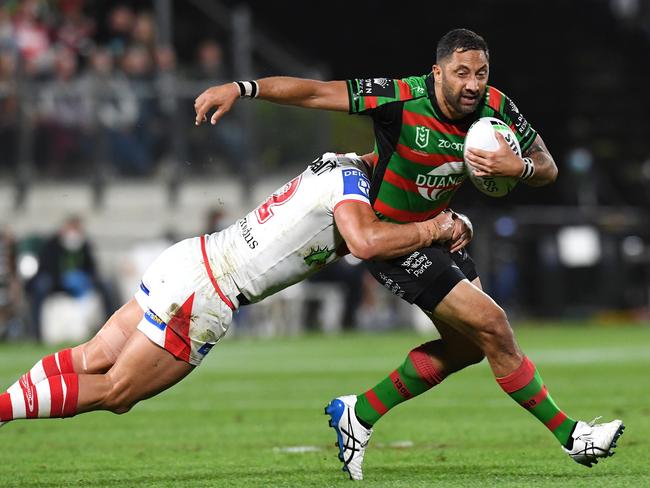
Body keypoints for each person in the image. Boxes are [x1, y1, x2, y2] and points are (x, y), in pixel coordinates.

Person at [193, 28, 624, 479]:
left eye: (481, 72)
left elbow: (547, 167)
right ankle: (573, 437)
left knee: (468, 348)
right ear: (437, 73)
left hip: (439, 234)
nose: (473, 83)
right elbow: (317, 92)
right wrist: (243, 88)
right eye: (461, 73)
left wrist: (521, 167)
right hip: (394, 241)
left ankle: (359, 413)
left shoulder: (496, 107)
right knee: (494, 326)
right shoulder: (399, 99)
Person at [0, 152, 471, 437]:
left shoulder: (340, 163)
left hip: (190, 257)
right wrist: (437, 225)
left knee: (91, 357)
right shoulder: (355, 193)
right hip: (209, 290)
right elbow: (368, 240)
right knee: (117, 391)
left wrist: (443, 225)